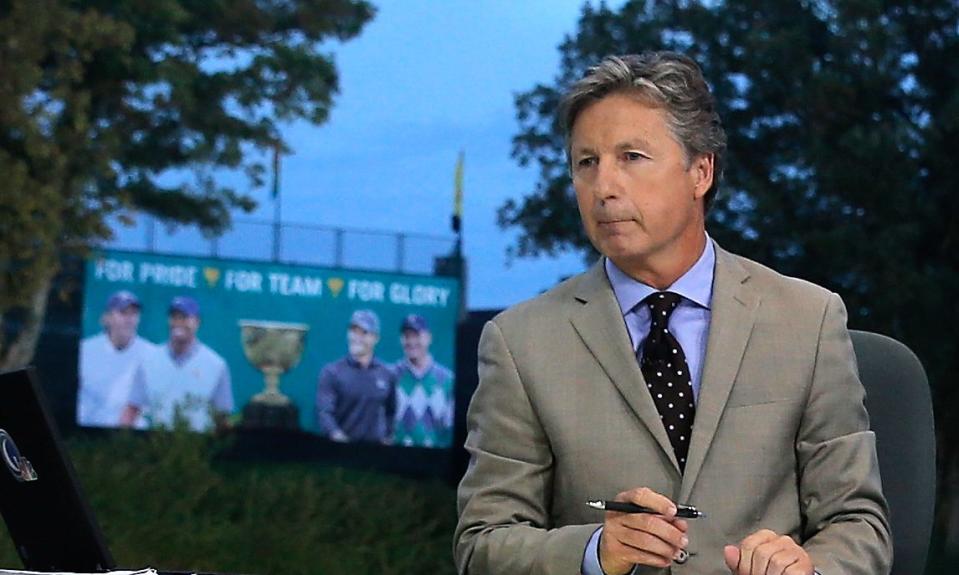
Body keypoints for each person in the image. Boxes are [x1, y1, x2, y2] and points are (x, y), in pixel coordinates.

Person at [454, 52, 891, 575]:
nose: (604, 187)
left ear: (700, 171)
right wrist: (595, 552)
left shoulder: (808, 319)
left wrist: (811, 570)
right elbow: (482, 544)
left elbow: (858, 522)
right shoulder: (520, 342)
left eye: (632, 157)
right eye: (586, 163)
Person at [121, 296, 233, 432]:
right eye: (174, 317)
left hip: (197, 445)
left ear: (197, 322)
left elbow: (222, 418)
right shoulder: (148, 360)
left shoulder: (216, 365)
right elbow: (131, 409)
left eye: (184, 317)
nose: (178, 322)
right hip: (155, 442)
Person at [315, 309, 397, 443]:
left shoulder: (386, 374)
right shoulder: (331, 372)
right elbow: (324, 413)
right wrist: (337, 437)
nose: (357, 337)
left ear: (376, 338)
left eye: (364, 333)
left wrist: (388, 437)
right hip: (341, 454)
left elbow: (391, 412)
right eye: (353, 331)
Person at [77, 290, 156, 428]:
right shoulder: (85, 350)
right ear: (107, 318)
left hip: (136, 437)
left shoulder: (152, 354)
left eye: (134, 314)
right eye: (123, 313)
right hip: (89, 433)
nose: (129, 319)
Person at [392, 314, 455, 448]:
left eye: (416, 336)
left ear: (428, 338)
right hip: (393, 461)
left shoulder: (447, 380)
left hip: (435, 463)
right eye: (407, 336)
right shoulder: (391, 376)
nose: (411, 341)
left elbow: (450, 430)